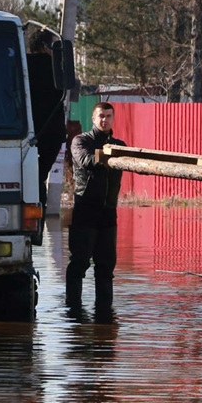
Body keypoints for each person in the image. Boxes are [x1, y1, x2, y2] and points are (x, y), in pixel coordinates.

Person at [67, 101, 124, 319]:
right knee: (79, 263)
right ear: (93, 119)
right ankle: (73, 311)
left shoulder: (120, 145)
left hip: (108, 213)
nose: (104, 120)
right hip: (85, 211)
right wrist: (108, 159)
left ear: (113, 118)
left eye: (108, 116)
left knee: (106, 267)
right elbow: (85, 160)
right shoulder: (81, 141)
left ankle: (105, 314)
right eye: (101, 116)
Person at [25, 28, 66, 206]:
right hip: (49, 133)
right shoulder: (54, 68)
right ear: (45, 46)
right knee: (38, 180)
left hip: (24, 133)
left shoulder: (21, 64)